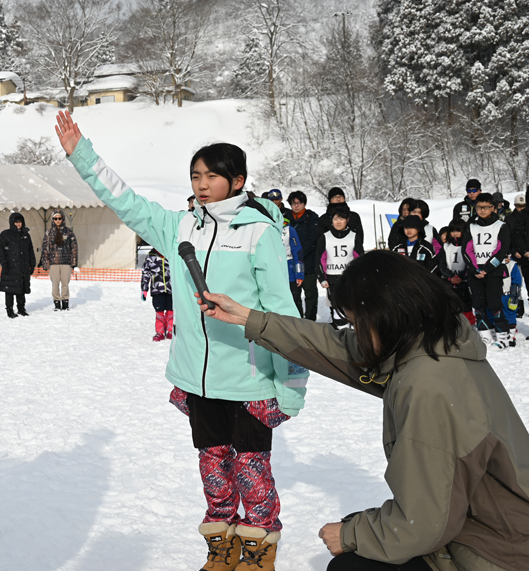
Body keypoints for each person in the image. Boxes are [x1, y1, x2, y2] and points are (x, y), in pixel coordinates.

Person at [55, 110, 308, 571]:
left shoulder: (259, 232)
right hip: (200, 380)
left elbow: (283, 313)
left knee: (252, 472)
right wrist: (82, 155)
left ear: (238, 180)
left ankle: (259, 548)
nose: (202, 183)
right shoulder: (180, 227)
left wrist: (291, 386)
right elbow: (126, 201)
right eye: (196, 175)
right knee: (213, 468)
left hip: (249, 381)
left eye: (212, 175)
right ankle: (222, 545)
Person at [198, 250, 529, 571]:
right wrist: (249, 319)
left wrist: (350, 533)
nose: (353, 332)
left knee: (351, 565)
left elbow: (423, 524)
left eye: (357, 322)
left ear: (385, 314)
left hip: (496, 552)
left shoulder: (428, 387)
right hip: (485, 530)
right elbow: (337, 346)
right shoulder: (435, 343)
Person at [463, 193, 511, 343]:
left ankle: (503, 335)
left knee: (494, 303)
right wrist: (475, 269)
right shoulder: (471, 226)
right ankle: (484, 334)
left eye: (486, 207)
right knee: (478, 304)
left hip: (494, 271)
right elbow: (467, 249)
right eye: (479, 207)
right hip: (476, 272)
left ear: (493, 207)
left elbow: (501, 250)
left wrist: (488, 268)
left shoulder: (501, 226)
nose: (482, 210)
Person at [315, 204, 364, 327]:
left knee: (351, 305)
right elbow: (320, 259)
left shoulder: (353, 237)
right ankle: (340, 332)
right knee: (336, 307)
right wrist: (321, 277)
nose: (338, 222)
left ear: (347, 220)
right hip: (332, 278)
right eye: (335, 218)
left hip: (349, 278)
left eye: (341, 218)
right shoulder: (325, 237)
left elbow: (360, 259)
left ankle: (353, 332)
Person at [287, 191, 320, 320]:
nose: (296, 206)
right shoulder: (285, 217)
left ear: (304, 203)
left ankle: (311, 319)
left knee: (311, 293)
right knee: (295, 295)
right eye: (293, 203)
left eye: (299, 202)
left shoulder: (312, 217)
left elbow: (313, 238)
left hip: (309, 261)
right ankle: (298, 319)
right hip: (292, 262)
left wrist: (299, 251)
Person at [0, 212, 37, 318]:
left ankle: (21, 308)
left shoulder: (26, 235)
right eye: (16, 222)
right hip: (10, 267)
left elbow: (30, 251)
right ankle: (9, 310)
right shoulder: (5, 235)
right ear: (12, 223)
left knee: (21, 289)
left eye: (20, 222)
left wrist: (32, 264)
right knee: (9, 290)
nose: (18, 224)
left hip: (23, 267)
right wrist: (4, 263)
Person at [437, 220, 475, 325]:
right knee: (450, 305)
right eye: (452, 231)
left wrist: (461, 277)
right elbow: (442, 264)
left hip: (464, 282)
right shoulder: (445, 246)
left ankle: (469, 325)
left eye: (458, 231)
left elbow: (470, 263)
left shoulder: (469, 245)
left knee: (466, 305)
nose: (455, 234)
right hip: (449, 282)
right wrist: (450, 276)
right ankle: (452, 325)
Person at [39, 210, 78, 311]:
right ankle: (57, 303)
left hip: (66, 262)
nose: (57, 220)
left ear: (63, 219)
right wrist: (45, 263)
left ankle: (65, 303)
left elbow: (74, 248)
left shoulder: (69, 232)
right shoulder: (49, 233)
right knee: (55, 284)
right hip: (54, 263)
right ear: (52, 219)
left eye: (59, 218)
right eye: (55, 218)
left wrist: (74, 263)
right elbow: (45, 248)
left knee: (65, 283)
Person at [315, 187, 364, 253]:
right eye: (335, 196)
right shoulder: (324, 219)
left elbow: (359, 235)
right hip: (330, 254)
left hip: (352, 252)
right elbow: (320, 239)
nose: (338, 198)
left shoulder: (354, 216)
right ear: (330, 199)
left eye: (340, 196)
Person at [141, 247, 174, 341]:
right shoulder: (151, 257)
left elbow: (178, 271)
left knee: (170, 310)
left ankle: (170, 331)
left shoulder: (170, 255)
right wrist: (144, 289)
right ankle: (160, 332)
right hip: (157, 289)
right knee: (159, 311)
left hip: (171, 289)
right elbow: (146, 273)